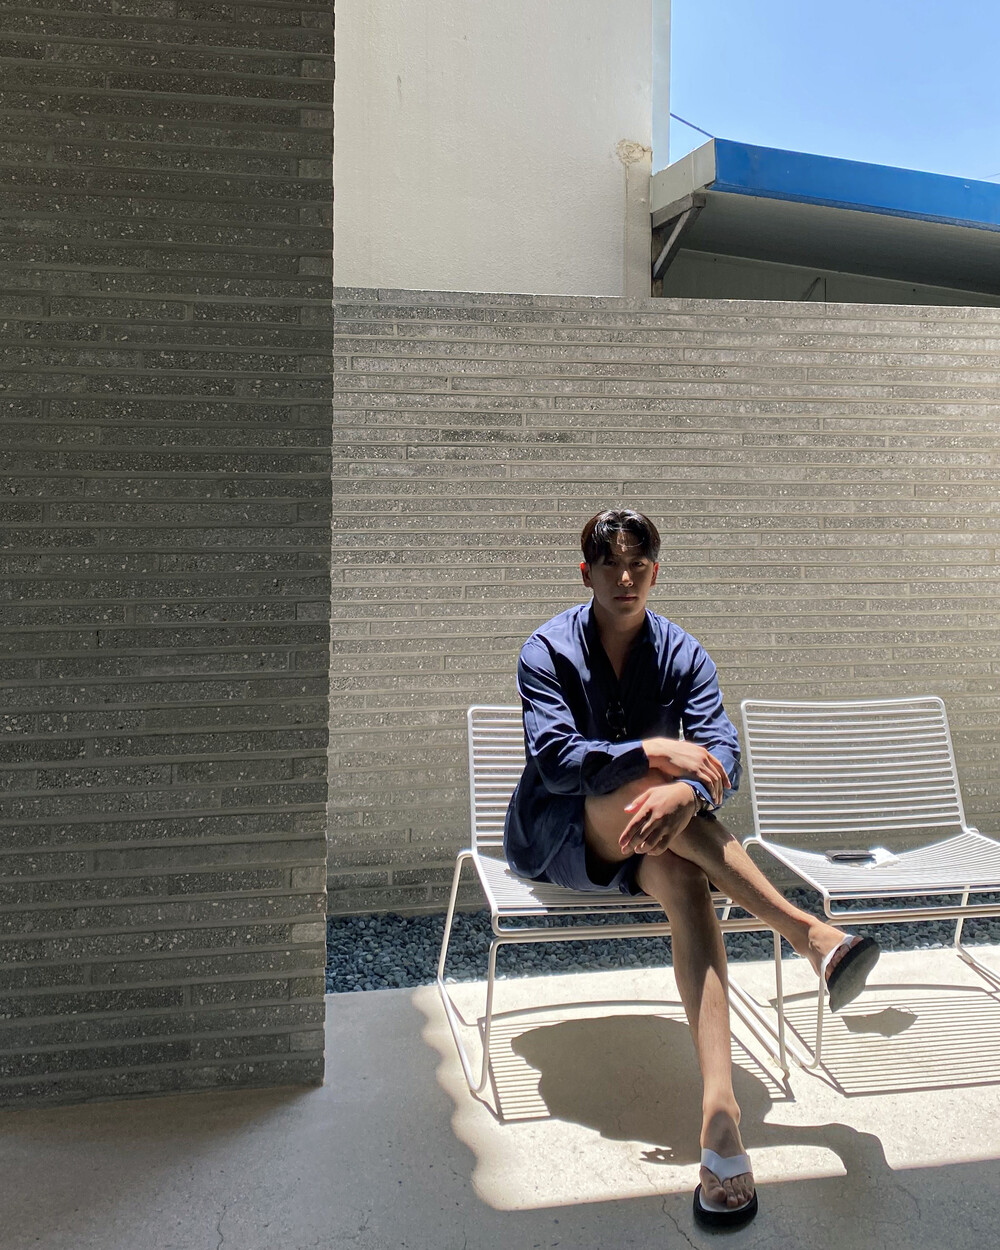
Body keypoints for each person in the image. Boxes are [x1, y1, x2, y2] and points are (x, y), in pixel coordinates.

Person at [504, 508, 880, 1229]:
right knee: (653, 784)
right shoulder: (547, 650)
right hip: (561, 835)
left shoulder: (683, 652)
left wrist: (690, 791)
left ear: (655, 572)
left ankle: (721, 1117)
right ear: (585, 574)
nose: (624, 579)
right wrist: (655, 755)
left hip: (656, 838)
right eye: (610, 566)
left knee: (684, 879)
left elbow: (721, 751)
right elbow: (556, 762)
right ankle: (808, 934)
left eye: (637, 566)